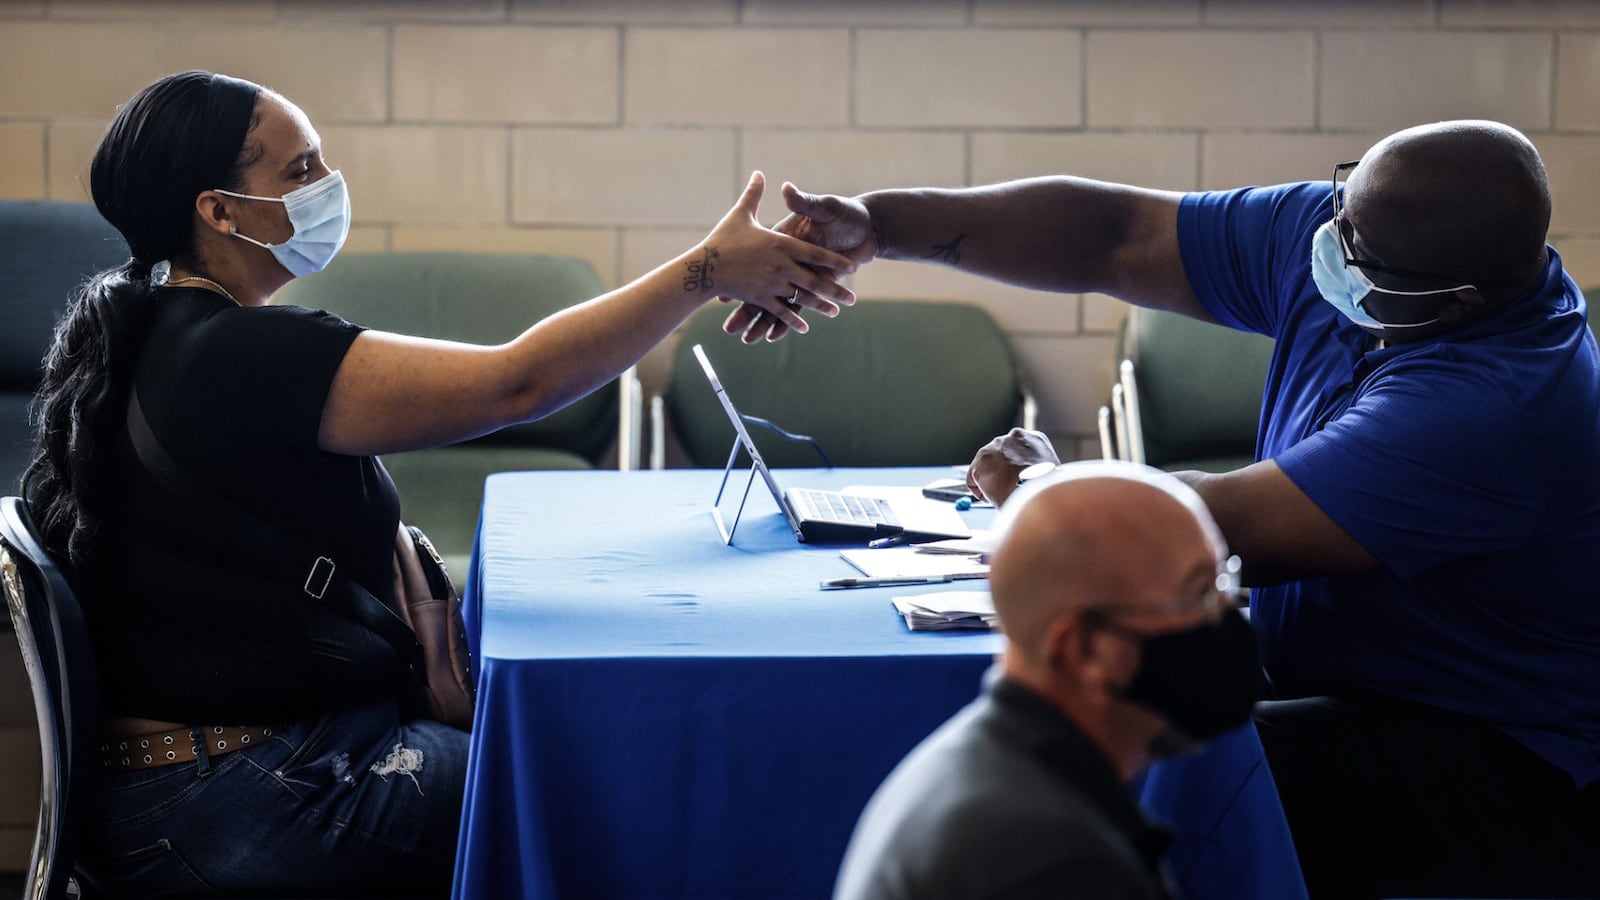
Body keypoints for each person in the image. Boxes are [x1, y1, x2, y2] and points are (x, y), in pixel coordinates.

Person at [21, 70, 856, 898]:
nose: (326, 187)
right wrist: (704, 272)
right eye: (299, 172)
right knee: (596, 788)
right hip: (246, 794)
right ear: (220, 210)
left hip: (182, 782)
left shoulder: (145, 333)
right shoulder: (245, 355)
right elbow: (517, 385)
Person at [732, 120, 1600, 899]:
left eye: (1354, 250)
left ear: (1453, 304)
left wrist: (1036, 489)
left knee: (1150, 781)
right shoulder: (1359, 237)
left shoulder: (1497, 405)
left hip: (1484, 752)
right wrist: (879, 224)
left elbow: (1193, 537)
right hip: (1328, 677)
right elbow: (1116, 234)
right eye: (1341, 214)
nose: (1324, 249)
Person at [832, 461, 1260, 900]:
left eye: (1225, 585)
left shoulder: (987, 767)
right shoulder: (1053, 863)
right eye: (1198, 596)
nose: (1227, 618)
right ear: (1084, 648)